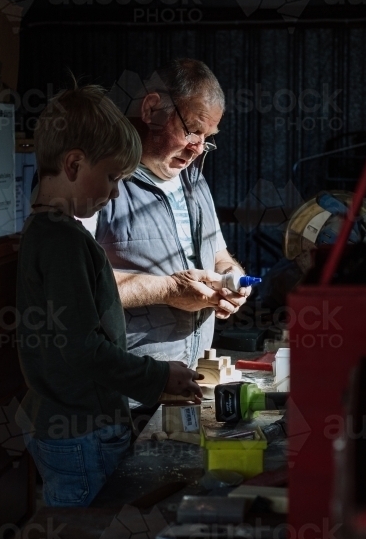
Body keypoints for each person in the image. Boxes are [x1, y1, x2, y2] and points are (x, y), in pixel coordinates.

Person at [17, 83, 202, 508]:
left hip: (65, 421)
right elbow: (82, 349)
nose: (116, 192)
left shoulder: (42, 230)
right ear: (75, 163)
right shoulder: (64, 242)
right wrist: (156, 377)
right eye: (113, 177)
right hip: (83, 430)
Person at [88, 59, 251, 370]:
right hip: (122, 391)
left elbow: (217, 253)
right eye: (192, 131)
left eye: (209, 137)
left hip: (184, 380)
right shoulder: (98, 182)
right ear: (151, 110)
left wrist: (231, 277)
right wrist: (169, 290)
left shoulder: (194, 180)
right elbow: (77, 284)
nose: (198, 149)